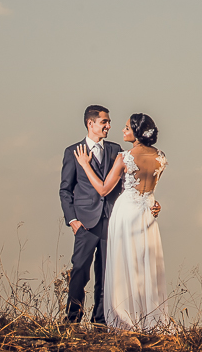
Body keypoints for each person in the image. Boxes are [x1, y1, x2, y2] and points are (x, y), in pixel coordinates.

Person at [59, 105, 159, 325]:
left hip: (113, 221)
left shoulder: (117, 151)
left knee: (107, 275)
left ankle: (101, 322)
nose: (108, 126)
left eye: (109, 122)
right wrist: (73, 220)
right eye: (104, 122)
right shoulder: (72, 152)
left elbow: (131, 183)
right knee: (79, 272)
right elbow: (65, 190)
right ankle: (72, 320)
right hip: (85, 223)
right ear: (90, 123)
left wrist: (148, 202)